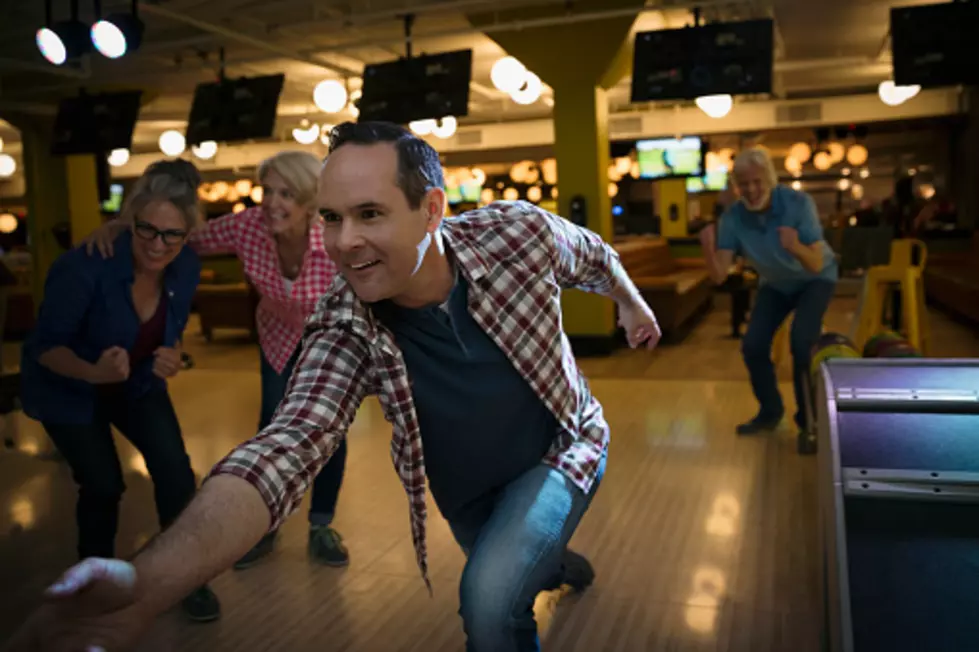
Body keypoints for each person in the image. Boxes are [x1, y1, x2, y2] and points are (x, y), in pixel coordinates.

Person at [3, 121, 661, 652]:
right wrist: (144, 587)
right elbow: (286, 445)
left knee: (488, 603)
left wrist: (630, 304)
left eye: (369, 214)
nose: (344, 243)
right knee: (519, 565)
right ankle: (553, 561)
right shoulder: (346, 316)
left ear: (431, 208)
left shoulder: (514, 232)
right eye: (332, 218)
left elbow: (594, 255)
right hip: (466, 485)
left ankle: (535, 558)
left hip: (559, 448)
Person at [84, 151, 348, 569]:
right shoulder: (248, 227)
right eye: (268, 191)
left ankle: (321, 525)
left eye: (287, 193)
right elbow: (182, 234)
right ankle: (266, 527)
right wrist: (121, 227)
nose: (272, 202)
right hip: (279, 336)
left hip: (333, 340)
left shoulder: (335, 236)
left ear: (310, 201)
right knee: (274, 433)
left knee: (329, 431)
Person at [17, 159, 220, 623]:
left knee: (176, 472)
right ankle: (91, 585)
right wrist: (93, 373)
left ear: (188, 234)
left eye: (171, 235)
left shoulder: (185, 264)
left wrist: (173, 351)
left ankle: (185, 577)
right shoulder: (85, 265)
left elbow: (171, 326)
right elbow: (45, 346)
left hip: (137, 381)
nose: (156, 244)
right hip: (69, 387)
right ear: (131, 221)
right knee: (104, 483)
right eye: (146, 229)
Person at [698, 147, 838, 435]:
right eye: (744, 183)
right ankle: (770, 411)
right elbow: (720, 276)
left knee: (802, 342)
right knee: (753, 345)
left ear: (771, 179)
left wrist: (795, 247)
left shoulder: (798, 204)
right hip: (775, 285)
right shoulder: (733, 218)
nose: (751, 190)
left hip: (815, 280)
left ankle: (808, 420)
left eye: (757, 181)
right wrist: (707, 247)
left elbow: (816, 263)